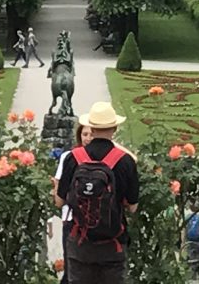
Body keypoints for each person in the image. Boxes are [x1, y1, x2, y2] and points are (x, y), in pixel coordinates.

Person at [56, 102, 139, 284]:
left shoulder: (73, 158)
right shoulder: (125, 161)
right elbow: (132, 206)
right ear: (115, 128)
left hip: (80, 242)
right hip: (112, 243)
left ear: (91, 128)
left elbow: (60, 202)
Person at [53, 124, 94, 284]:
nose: (88, 138)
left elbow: (59, 198)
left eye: (91, 134)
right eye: (85, 134)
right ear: (79, 135)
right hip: (82, 221)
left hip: (74, 220)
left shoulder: (69, 157)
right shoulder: (69, 157)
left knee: (73, 271)